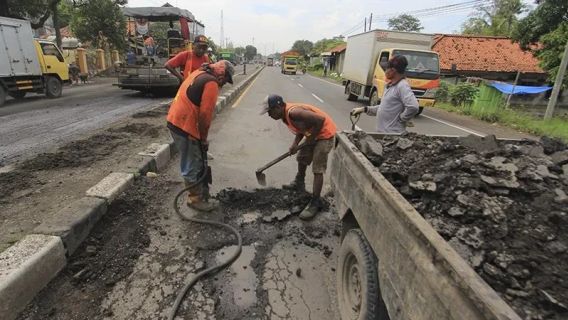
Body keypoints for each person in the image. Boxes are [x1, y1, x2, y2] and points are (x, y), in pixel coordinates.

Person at [167, 60, 235, 212]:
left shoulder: (200, 72)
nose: (223, 84)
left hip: (175, 120)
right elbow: (205, 116)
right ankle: (195, 199)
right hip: (184, 125)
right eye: (225, 80)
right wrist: (203, 139)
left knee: (194, 159)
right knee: (193, 162)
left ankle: (200, 192)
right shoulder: (211, 83)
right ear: (222, 74)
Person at [260, 94, 337, 220]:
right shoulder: (285, 116)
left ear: (278, 107)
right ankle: (299, 182)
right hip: (313, 133)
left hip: (324, 135)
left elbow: (320, 120)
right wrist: (295, 144)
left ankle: (315, 202)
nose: (269, 115)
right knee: (302, 157)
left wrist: (312, 138)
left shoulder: (294, 112)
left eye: (270, 111)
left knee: (317, 168)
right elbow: (302, 128)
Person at [351, 55, 419, 133]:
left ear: (393, 70)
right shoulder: (391, 86)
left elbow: (413, 106)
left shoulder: (402, 86)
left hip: (392, 136)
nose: (385, 71)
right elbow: (385, 108)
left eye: (386, 69)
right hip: (383, 134)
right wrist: (364, 109)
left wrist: (402, 119)